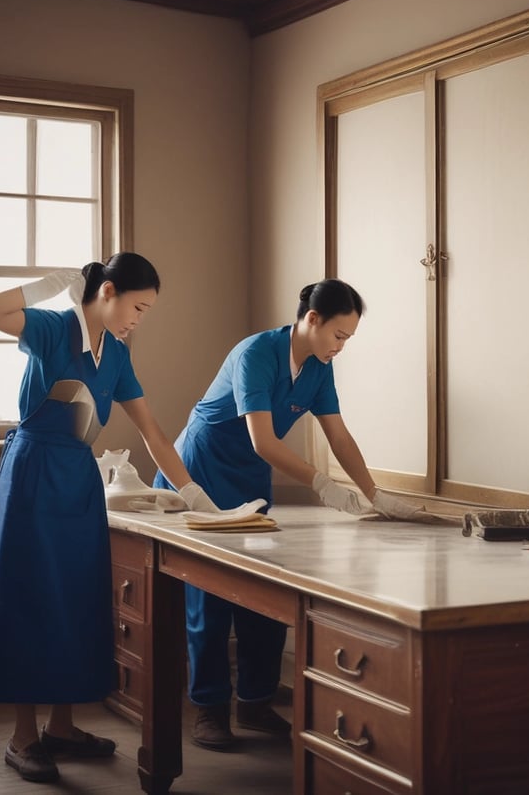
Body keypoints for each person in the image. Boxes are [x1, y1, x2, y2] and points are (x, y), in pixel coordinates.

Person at [0, 253, 209, 785]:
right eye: (137, 306)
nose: (138, 319)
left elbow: (152, 431)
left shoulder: (118, 356)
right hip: (32, 474)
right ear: (106, 291)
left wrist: (195, 494)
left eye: (146, 311)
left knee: (76, 598)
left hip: (79, 480)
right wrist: (46, 285)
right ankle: (23, 735)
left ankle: (61, 726)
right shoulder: (55, 328)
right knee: (29, 596)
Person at [153, 278, 413, 751]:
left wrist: (375, 494)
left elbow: (339, 436)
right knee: (209, 597)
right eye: (338, 336)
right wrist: (320, 483)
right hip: (203, 471)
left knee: (265, 589)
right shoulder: (256, 353)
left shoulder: (318, 367)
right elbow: (263, 440)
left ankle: (254, 701)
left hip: (252, 478)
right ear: (312, 319)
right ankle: (209, 708)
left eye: (348, 339)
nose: (341, 347)